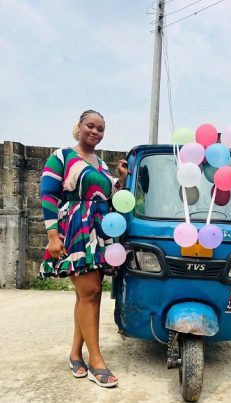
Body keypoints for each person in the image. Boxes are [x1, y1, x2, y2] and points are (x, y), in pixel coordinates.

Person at [40, 110, 128, 388]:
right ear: (79, 127)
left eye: (101, 129)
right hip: (75, 228)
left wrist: (122, 179)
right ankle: (96, 361)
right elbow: (48, 194)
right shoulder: (62, 156)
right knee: (89, 293)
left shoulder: (101, 165)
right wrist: (53, 236)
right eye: (90, 126)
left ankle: (76, 354)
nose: (95, 132)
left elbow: (112, 197)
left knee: (87, 294)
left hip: (98, 230)